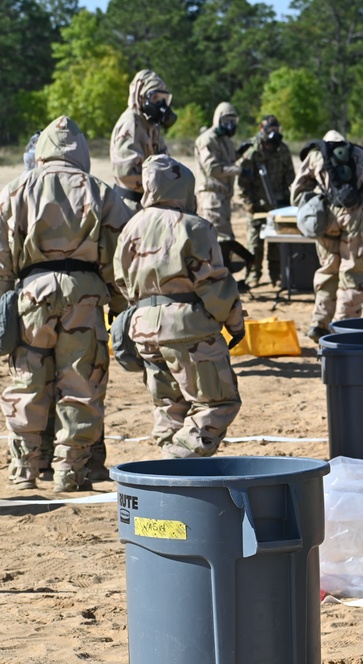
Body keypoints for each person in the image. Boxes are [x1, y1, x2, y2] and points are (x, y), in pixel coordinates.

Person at [0, 116, 131, 492]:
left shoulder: (17, 188)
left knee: (29, 380)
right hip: (85, 293)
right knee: (81, 384)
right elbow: (121, 251)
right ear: (80, 150)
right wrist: (116, 301)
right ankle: (70, 471)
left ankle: (24, 469)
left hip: (33, 292)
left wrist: (5, 298)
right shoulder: (100, 190)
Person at [115, 154, 245, 459]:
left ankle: (168, 473)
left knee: (168, 406)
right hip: (188, 328)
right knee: (217, 404)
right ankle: (178, 460)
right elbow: (215, 286)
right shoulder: (195, 227)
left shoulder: (130, 227)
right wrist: (235, 324)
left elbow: (120, 282)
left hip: (143, 329)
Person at [291, 130, 363, 342]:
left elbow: (297, 192)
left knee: (328, 270)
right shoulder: (360, 154)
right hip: (357, 217)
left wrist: (317, 199)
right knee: (354, 273)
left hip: (326, 218)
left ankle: (319, 324)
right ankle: (342, 328)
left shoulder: (315, 155)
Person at [195, 102, 254, 281]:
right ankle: (218, 280)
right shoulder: (207, 139)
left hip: (223, 196)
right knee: (218, 239)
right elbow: (213, 168)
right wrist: (239, 170)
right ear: (218, 120)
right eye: (227, 120)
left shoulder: (225, 140)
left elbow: (226, 160)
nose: (231, 125)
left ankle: (225, 278)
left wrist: (239, 152)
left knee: (226, 238)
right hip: (211, 195)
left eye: (233, 121)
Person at [236, 114, 296, 286]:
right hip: (256, 205)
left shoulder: (282, 150)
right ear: (261, 130)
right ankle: (253, 275)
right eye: (270, 129)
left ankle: (276, 276)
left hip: (278, 205)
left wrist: (287, 200)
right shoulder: (252, 152)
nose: (273, 133)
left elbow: (290, 177)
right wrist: (248, 203)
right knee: (255, 242)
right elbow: (243, 183)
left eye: (276, 129)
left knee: (277, 242)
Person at [110, 69, 175, 213]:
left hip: (147, 203)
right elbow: (128, 173)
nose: (161, 105)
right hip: (129, 207)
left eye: (164, 99)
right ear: (141, 96)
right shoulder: (131, 123)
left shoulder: (150, 125)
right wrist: (162, 182)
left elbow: (165, 160)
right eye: (155, 99)